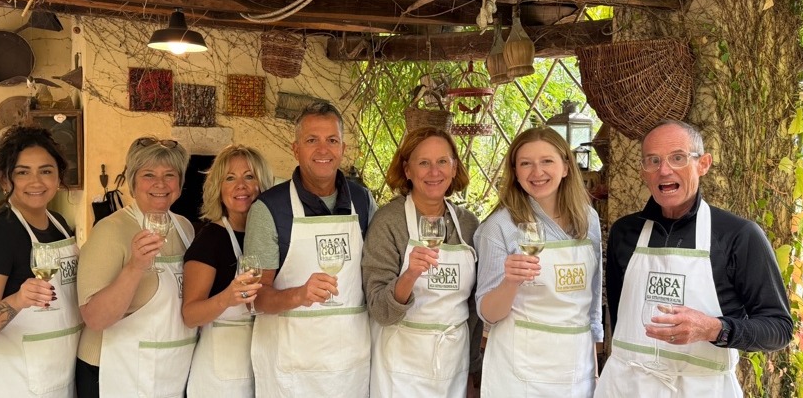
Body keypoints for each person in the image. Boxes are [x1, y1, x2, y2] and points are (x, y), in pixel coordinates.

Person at [594, 120, 792, 397]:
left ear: (703, 164)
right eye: (653, 160)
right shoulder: (625, 232)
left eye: (678, 158)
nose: (664, 170)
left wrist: (715, 329)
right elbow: (619, 317)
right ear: (643, 171)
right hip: (627, 386)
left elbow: (779, 328)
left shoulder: (738, 235)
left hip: (701, 388)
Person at [245, 102, 377, 397]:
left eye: (332, 140)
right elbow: (254, 299)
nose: (323, 150)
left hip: (349, 370)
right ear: (295, 149)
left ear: (343, 148)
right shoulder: (268, 209)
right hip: (291, 375)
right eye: (311, 140)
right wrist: (299, 295)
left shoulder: (364, 202)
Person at [474, 127, 603, 397]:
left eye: (547, 161)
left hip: (575, 369)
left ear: (566, 167)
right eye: (526, 164)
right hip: (520, 373)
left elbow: (590, 304)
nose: (537, 172)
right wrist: (510, 282)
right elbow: (488, 314)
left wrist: (594, 369)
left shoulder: (587, 219)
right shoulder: (499, 227)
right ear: (515, 172)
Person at [362, 127, 484, 397]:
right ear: (407, 170)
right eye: (423, 163)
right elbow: (380, 311)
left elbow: (475, 307)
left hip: (453, 360)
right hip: (399, 365)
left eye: (442, 161)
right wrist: (409, 275)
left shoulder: (468, 225)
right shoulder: (389, 222)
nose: (434, 172)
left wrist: (473, 365)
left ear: (454, 168)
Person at [0, 126, 81, 397]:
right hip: (11, 381)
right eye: (23, 172)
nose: (36, 182)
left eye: (46, 171)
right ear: (4, 179)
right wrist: (17, 300)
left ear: (59, 176)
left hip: (58, 372)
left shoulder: (59, 224)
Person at [75, 136, 195, 398]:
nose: (160, 184)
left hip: (170, 368)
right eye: (148, 174)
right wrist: (135, 267)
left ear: (180, 182)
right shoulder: (110, 230)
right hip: (113, 370)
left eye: (169, 175)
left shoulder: (185, 228)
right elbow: (94, 319)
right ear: (133, 181)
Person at [182, 144, 275, 398]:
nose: (240, 186)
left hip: (263, 370)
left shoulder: (272, 237)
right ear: (218, 189)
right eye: (230, 178)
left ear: (263, 183)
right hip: (219, 382)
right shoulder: (211, 240)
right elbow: (190, 315)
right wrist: (227, 297)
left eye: (249, 176)